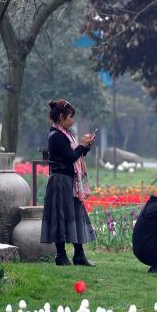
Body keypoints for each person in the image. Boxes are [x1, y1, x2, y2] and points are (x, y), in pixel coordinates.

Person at [41, 99, 96, 266]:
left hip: (71, 182)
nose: (73, 121)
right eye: (71, 117)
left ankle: (79, 255)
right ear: (61, 117)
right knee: (60, 216)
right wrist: (81, 146)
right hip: (60, 182)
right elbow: (69, 158)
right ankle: (61, 255)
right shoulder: (56, 136)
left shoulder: (66, 134)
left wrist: (85, 147)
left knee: (76, 215)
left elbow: (76, 156)